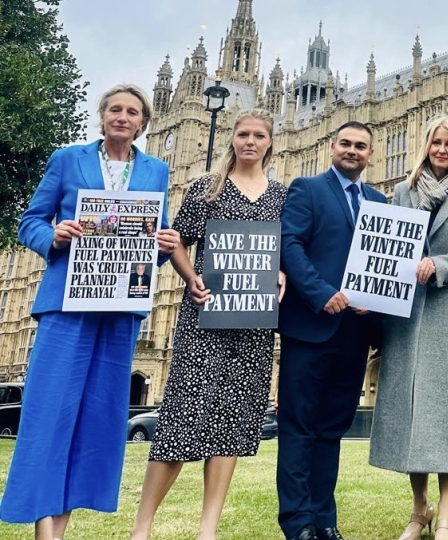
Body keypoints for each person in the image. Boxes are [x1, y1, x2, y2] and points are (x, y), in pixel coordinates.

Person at [0, 84, 179, 540]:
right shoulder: (68, 159)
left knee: (97, 418)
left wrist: (162, 246)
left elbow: (146, 243)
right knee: (49, 412)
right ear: (102, 116)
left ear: (144, 122)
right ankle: (45, 529)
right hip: (67, 303)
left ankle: (64, 523)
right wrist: (55, 236)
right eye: (115, 109)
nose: (123, 117)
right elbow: (30, 223)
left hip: (120, 309)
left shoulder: (156, 170)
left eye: (132, 112)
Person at [130, 109, 287, 540]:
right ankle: (141, 528)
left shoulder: (281, 196)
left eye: (258, 135)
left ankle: (208, 529)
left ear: (270, 142)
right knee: (182, 418)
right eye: (242, 134)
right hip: (204, 320)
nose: (250, 142)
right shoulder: (207, 188)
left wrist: (282, 273)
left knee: (231, 423)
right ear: (231, 139)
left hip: (253, 326)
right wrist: (191, 278)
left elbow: (281, 251)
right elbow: (177, 241)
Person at [369, 115, 448, 540]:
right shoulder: (402, 192)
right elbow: (383, 247)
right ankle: (419, 510)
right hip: (404, 315)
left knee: (446, 414)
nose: (441, 150)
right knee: (410, 413)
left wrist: (438, 265)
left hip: (447, 310)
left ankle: (447, 515)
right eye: (436, 142)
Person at [277, 121, 387, 540]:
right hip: (310, 327)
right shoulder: (307, 188)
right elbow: (290, 245)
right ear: (331, 147)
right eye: (346, 143)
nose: (353, 151)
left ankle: (324, 519)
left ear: (371, 154)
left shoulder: (378, 199)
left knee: (331, 430)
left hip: (355, 332)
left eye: (361, 145)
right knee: (299, 427)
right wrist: (322, 293)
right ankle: (297, 522)